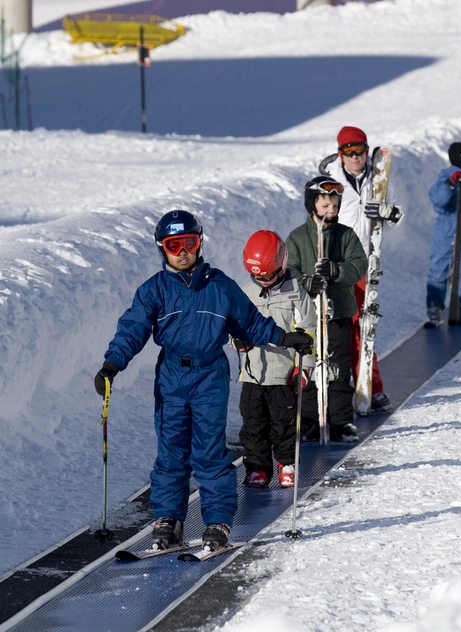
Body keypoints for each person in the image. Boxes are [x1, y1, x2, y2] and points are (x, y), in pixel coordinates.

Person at [93, 210, 311, 553]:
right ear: (161, 248)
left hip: (209, 374)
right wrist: (112, 364)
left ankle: (217, 520)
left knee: (209, 451)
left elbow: (250, 323)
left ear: (200, 242)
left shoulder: (220, 286)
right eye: (173, 245)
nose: (182, 252)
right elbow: (133, 327)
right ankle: (169, 518)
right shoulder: (155, 290)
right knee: (171, 451)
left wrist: (286, 339)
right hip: (171, 376)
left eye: (189, 243)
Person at [319, 125, 403, 412]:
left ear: (368, 150)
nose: (355, 157)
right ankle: (337, 389)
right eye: (348, 151)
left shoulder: (379, 176)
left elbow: (395, 214)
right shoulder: (329, 181)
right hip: (338, 265)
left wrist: (387, 213)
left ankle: (371, 386)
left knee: (365, 326)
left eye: (360, 150)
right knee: (341, 329)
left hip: (366, 263)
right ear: (340, 153)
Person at [286, 176, 368, 443]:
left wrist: (337, 270)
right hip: (309, 316)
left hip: (338, 314)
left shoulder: (345, 235)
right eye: (325, 206)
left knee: (340, 368)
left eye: (335, 206)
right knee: (310, 367)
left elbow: (359, 264)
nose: (330, 212)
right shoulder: (297, 238)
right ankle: (309, 420)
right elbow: (289, 270)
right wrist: (305, 283)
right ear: (313, 205)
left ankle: (341, 421)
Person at [234, 230, 316, 489]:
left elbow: (310, 332)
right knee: (253, 424)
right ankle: (257, 467)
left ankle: (286, 463)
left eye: (267, 275)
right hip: (253, 373)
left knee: (284, 422)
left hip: (284, 372)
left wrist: (305, 369)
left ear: (280, 265)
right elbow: (232, 327)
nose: (261, 280)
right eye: (256, 275)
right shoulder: (246, 293)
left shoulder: (297, 295)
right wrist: (236, 340)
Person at [425, 141, 461, 328]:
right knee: (439, 269)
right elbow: (438, 201)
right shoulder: (445, 177)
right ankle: (434, 306)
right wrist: (450, 183)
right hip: (445, 229)